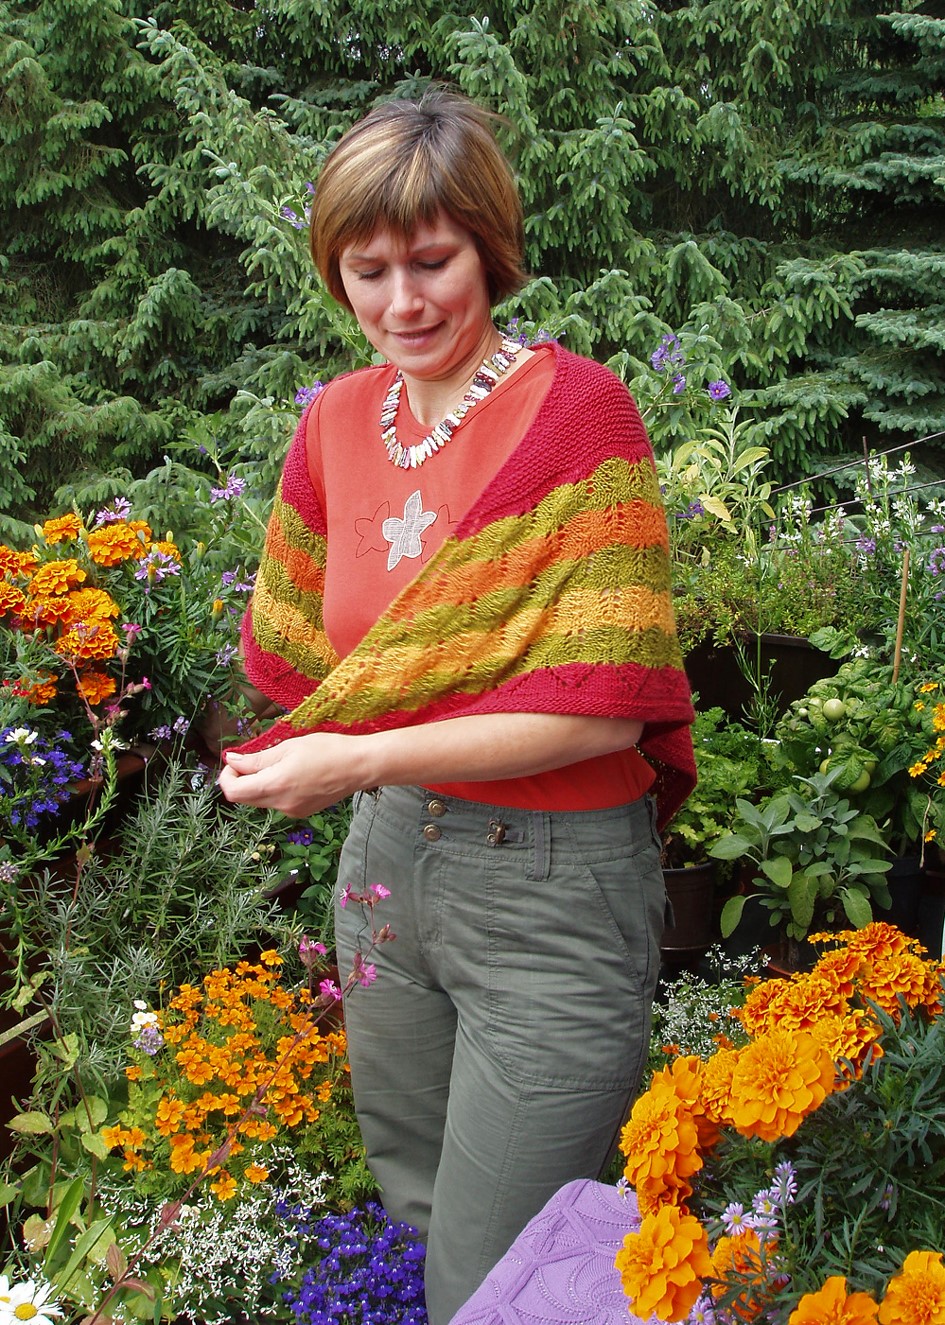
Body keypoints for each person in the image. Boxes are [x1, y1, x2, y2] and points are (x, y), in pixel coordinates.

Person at [219, 88, 696, 1323]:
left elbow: (603, 711)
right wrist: (308, 758)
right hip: (390, 869)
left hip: (550, 882)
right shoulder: (332, 422)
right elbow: (303, 658)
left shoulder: (580, 416)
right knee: (423, 1205)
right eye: (365, 270)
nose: (401, 303)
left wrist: (347, 761)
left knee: (503, 1269)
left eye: (431, 260)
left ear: (490, 244)